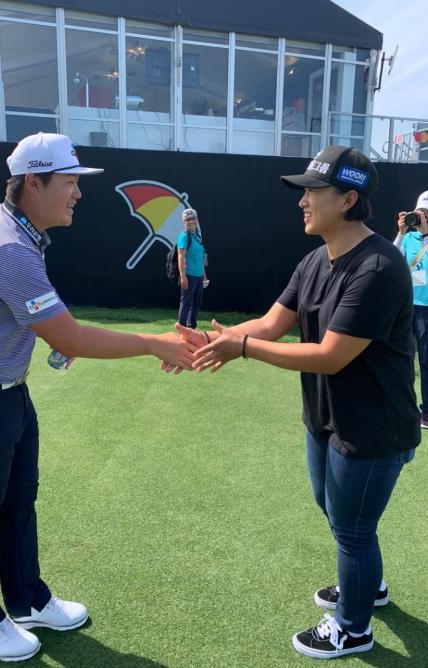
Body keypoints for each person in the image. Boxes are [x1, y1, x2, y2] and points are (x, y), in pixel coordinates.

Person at [0, 132, 195, 663]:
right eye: (69, 182)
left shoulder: (20, 232)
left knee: (18, 504)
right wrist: (154, 343)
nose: (78, 193)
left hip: (4, 394)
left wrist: (53, 333)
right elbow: (69, 337)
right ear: (33, 182)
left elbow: (41, 316)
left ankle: (27, 600)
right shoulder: (9, 245)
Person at [175, 146, 421, 659]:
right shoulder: (314, 260)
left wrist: (243, 348)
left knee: (353, 530)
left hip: (373, 429)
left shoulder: (378, 266)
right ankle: (366, 587)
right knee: (335, 512)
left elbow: (331, 356)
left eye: (313, 192)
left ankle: (353, 628)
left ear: (348, 199)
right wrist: (212, 339)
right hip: (327, 419)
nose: (302, 202)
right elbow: (270, 324)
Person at [393, 190, 428, 427]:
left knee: (426, 361)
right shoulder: (408, 237)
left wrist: (425, 234)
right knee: (401, 358)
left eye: (425, 213)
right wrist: (401, 232)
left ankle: (427, 411)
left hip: (426, 308)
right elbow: (391, 258)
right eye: (419, 212)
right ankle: (400, 407)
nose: (421, 216)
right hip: (407, 306)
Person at [177, 208, 208, 329]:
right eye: (188, 219)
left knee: (196, 304)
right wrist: (183, 276)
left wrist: (204, 276)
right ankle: (182, 330)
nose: (191, 221)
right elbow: (180, 257)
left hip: (199, 276)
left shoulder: (197, 236)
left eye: (193, 218)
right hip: (189, 275)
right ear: (184, 222)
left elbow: (200, 259)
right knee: (186, 303)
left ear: (197, 220)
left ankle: (192, 329)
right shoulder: (184, 236)